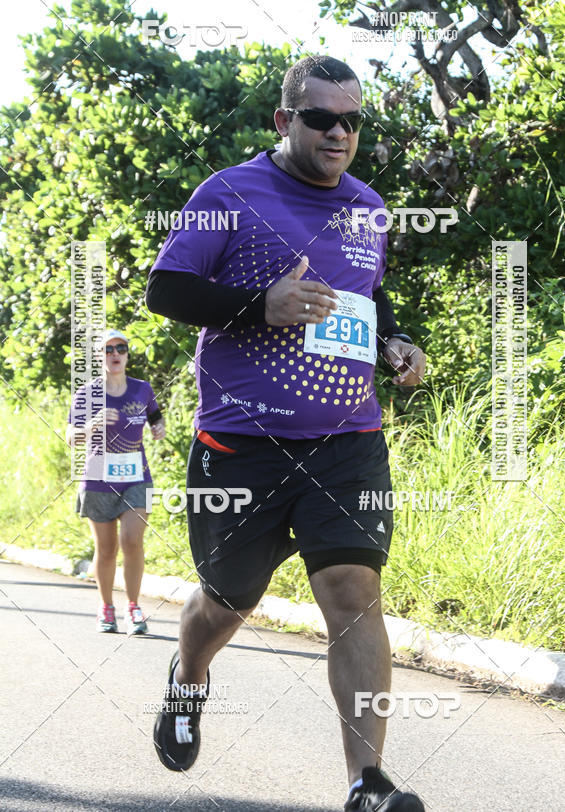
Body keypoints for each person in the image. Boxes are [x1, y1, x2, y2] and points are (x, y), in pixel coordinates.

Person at [146, 56, 426, 811]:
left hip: (347, 439)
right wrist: (259, 305)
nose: (339, 132)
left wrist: (394, 344)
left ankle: (366, 782)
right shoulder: (229, 194)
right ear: (284, 121)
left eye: (352, 120)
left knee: (352, 591)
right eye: (321, 118)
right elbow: (164, 289)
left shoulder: (368, 207)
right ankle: (189, 676)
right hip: (242, 443)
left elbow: (367, 300)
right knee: (227, 603)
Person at [66, 329, 165, 635]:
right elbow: (70, 438)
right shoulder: (87, 393)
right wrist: (92, 425)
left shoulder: (142, 389)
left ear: (126, 354)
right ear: (100, 357)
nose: (115, 354)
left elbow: (155, 417)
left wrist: (158, 428)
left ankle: (133, 607)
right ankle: (106, 607)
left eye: (120, 348)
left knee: (132, 541)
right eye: (108, 350)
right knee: (106, 549)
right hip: (98, 479)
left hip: (137, 477)